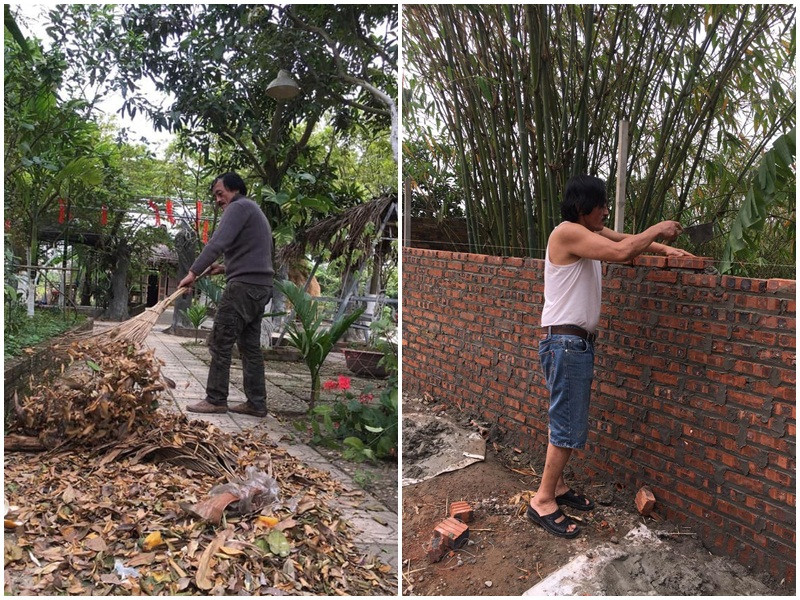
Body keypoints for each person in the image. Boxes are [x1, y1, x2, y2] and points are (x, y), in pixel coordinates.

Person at [527, 174, 693, 538]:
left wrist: (664, 250)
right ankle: (542, 500)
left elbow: (623, 241)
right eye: (601, 205)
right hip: (566, 344)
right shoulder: (566, 233)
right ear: (582, 207)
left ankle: (556, 487)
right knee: (568, 425)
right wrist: (659, 228)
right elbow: (622, 251)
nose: (605, 210)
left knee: (565, 419)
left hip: (572, 344)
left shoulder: (586, 234)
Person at [178, 172, 274, 418]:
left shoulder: (238, 207)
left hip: (242, 288)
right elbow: (255, 253)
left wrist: (193, 271)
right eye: (216, 196)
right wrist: (224, 268)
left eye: (220, 193)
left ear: (235, 190)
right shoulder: (253, 211)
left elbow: (217, 242)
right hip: (259, 287)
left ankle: (216, 399)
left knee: (220, 341)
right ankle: (256, 403)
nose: (218, 200)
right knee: (249, 347)